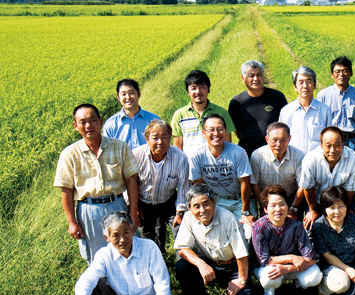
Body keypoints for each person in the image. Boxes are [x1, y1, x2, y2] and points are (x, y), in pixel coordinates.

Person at [54, 103, 141, 264]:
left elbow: (131, 181)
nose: (88, 126)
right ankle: (104, 288)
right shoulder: (69, 154)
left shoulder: (119, 146)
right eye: (83, 122)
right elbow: (66, 191)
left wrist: (133, 212)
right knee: (97, 258)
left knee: (129, 249)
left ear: (101, 121)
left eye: (93, 120)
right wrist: (71, 222)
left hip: (117, 204)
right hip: (88, 210)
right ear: (75, 126)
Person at [72, 211, 179, 295]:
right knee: (93, 285)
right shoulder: (104, 255)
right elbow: (84, 282)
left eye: (126, 233)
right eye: (116, 235)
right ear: (107, 238)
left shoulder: (149, 247)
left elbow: (162, 282)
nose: (122, 240)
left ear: (132, 230)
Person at [174, 184, 256, 295]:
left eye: (206, 204)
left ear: (214, 202)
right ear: (189, 208)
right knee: (182, 266)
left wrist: (241, 280)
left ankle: (245, 287)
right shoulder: (189, 217)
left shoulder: (227, 218)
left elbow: (242, 255)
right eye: (196, 206)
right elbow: (183, 249)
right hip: (209, 263)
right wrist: (201, 264)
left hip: (232, 266)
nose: (202, 210)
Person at [252, 185, 322, 295]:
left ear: (287, 206)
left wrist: (287, 268)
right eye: (272, 205)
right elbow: (264, 259)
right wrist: (292, 257)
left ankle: (298, 286)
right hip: (269, 266)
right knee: (269, 277)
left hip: (290, 267)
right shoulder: (258, 228)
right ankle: (268, 294)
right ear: (265, 209)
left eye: (282, 204)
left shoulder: (297, 226)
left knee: (315, 275)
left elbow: (310, 257)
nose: (278, 209)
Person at [190, 114, 254, 239]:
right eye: (211, 130)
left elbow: (245, 183)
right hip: (215, 201)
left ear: (225, 131)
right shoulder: (197, 155)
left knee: (248, 232)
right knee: (216, 232)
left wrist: (245, 212)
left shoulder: (238, 152)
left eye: (220, 129)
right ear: (203, 133)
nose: (216, 133)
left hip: (239, 201)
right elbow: (198, 186)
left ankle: (249, 258)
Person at [132, 119, 190, 254]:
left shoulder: (180, 158)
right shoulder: (136, 156)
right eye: (155, 138)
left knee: (181, 230)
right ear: (147, 139)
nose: (160, 142)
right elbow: (128, 184)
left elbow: (184, 187)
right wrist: (133, 207)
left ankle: (183, 265)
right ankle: (155, 260)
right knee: (148, 236)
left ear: (170, 138)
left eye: (164, 137)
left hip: (168, 201)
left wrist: (180, 212)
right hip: (142, 202)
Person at [312, 186, 355, 295]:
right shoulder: (319, 225)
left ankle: (341, 293)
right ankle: (324, 290)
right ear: (324, 208)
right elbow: (326, 254)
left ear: (347, 206)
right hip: (332, 266)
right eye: (332, 208)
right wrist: (347, 269)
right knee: (343, 283)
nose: (337, 211)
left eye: (341, 206)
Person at [298, 126, 355, 229]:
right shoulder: (310, 160)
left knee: (349, 225)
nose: (332, 150)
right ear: (321, 145)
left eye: (337, 145)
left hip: (343, 200)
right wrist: (313, 210)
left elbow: (350, 191)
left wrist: (344, 210)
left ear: (343, 144)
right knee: (312, 228)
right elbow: (308, 188)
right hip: (317, 200)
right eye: (328, 146)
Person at [228, 60, 288, 158]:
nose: (256, 79)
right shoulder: (236, 102)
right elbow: (234, 128)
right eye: (251, 75)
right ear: (243, 78)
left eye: (259, 75)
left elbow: (286, 122)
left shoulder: (277, 97)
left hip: (274, 151)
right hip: (247, 153)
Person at [171, 69, 234, 157]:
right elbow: (177, 147)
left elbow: (228, 144)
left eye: (202, 87)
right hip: (189, 167)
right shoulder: (179, 115)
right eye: (193, 88)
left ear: (208, 89)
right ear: (188, 92)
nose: (198, 91)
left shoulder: (221, 113)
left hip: (216, 166)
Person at [317, 56, 355, 155]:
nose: (341, 74)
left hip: (351, 142)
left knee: (353, 169)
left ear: (351, 73)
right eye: (337, 72)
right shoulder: (323, 96)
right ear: (332, 75)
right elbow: (318, 122)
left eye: (345, 71)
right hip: (330, 142)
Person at [250, 122, 305, 220]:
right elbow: (255, 184)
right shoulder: (257, 156)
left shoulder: (299, 156)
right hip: (267, 199)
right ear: (267, 139)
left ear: (289, 139)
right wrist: (265, 207)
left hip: (291, 198)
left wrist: (293, 208)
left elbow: (302, 186)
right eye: (274, 140)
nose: (278, 144)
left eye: (283, 140)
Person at [279, 66, 332, 154]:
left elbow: (329, 138)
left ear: (314, 85)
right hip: (293, 160)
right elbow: (281, 138)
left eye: (309, 81)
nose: (305, 86)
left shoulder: (325, 110)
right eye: (301, 82)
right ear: (295, 87)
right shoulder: (286, 111)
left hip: (317, 161)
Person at [102, 79, 161, 150]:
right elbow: (107, 152)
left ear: (139, 93)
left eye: (131, 93)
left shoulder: (153, 120)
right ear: (118, 97)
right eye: (123, 94)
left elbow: (160, 148)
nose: (128, 97)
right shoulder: (110, 125)